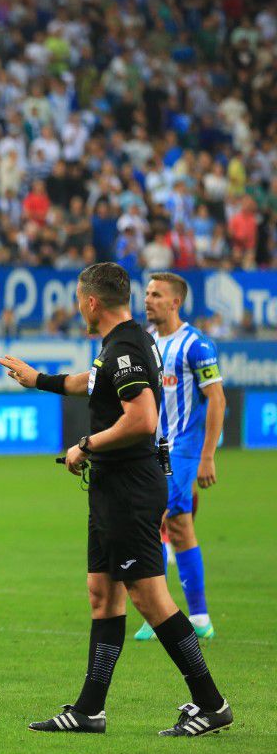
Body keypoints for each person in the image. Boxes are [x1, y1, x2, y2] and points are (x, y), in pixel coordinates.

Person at [0, 262, 232, 737]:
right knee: (102, 594)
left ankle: (211, 704)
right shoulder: (123, 342)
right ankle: (89, 710)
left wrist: (85, 445)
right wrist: (37, 378)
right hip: (112, 486)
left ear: (90, 302)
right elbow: (89, 381)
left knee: (150, 596)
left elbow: (143, 418)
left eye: (78, 301)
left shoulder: (124, 346)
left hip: (129, 487)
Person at [133, 272, 224, 642]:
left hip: (182, 448)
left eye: (156, 295)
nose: (148, 300)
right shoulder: (146, 342)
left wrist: (207, 457)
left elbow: (217, 398)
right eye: (147, 293)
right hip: (150, 448)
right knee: (179, 526)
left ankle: (160, 614)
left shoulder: (196, 345)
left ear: (175, 302)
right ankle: (195, 616)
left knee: (155, 519)